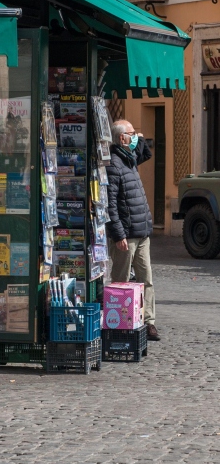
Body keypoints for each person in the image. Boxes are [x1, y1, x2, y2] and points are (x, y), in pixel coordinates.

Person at [106, 120, 160, 341]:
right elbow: (110, 204)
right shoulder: (114, 165)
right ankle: (119, 323)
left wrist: (138, 137)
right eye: (131, 134)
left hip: (142, 231)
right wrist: (119, 235)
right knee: (121, 281)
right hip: (126, 235)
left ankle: (148, 323)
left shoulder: (129, 160)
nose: (135, 137)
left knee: (146, 279)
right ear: (121, 139)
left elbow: (145, 154)